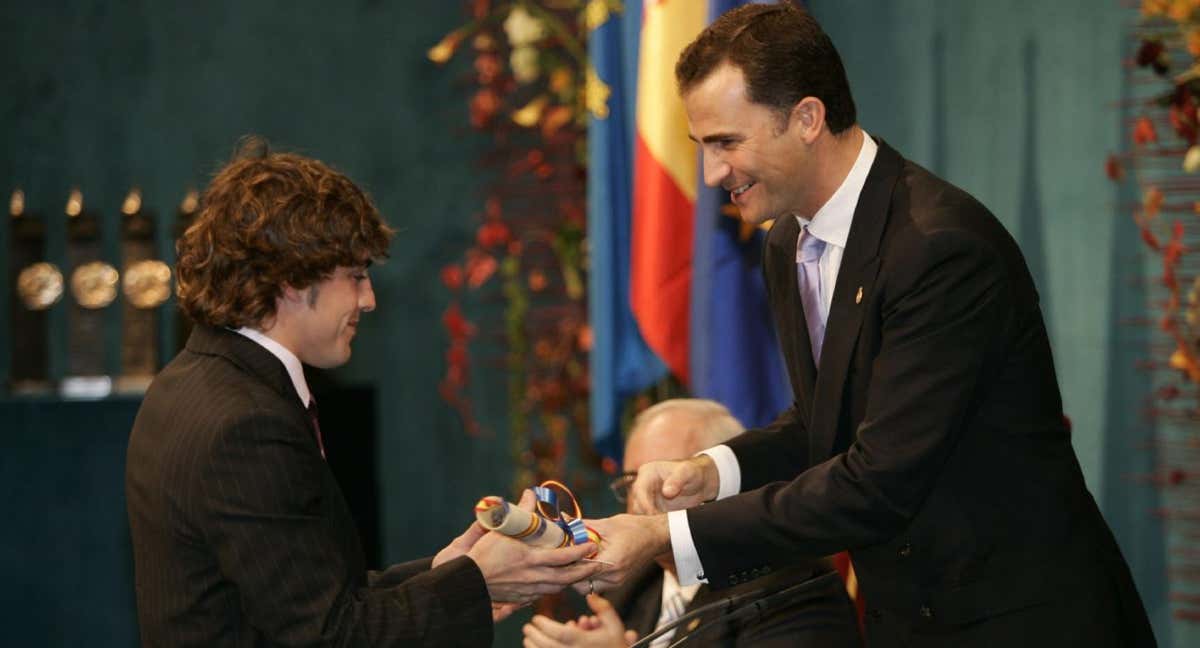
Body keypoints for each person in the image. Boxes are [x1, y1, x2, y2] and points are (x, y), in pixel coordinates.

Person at [583, 5, 1157, 647]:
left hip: (1023, 623)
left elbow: (877, 481)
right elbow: (823, 423)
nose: (713, 173)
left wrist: (667, 535)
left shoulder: (938, 248)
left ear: (806, 119)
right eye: (702, 147)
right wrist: (712, 472)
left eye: (726, 143)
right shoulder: (785, 243)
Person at [125, 138, 601, 647]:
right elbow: (333, 637)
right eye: (355, 277)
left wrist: (449, 571)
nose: (368, 300)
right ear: (290, 279)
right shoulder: (246, 424)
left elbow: (299, 593)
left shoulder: (190, 381)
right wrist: (478, 582)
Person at [522, 399, 861, 648]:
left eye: (664, 482)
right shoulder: (629, 588)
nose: (641, 502)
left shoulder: (794, 589)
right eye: (630, 483)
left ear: (725, 486)